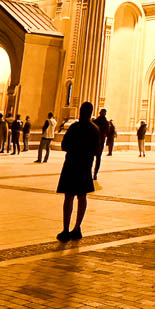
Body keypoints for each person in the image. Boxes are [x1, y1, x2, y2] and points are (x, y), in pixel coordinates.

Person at [57, 101, 101, 241]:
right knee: (82, 197)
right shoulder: (94, 129)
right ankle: (77, 228)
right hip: (85, 165)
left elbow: (64, 145)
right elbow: (96, 150)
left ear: (80, 112)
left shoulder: (74, 127)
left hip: (71, 164)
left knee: (69, 197)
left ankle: (65, 229)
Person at [92, 109, 109, 178]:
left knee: (91, 157)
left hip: (94, 141)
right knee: (98, 158)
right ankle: (95, 173)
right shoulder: (106, 122)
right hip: (101, 142)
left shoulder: (96, 121)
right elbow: (107, 133)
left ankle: (91, 173)